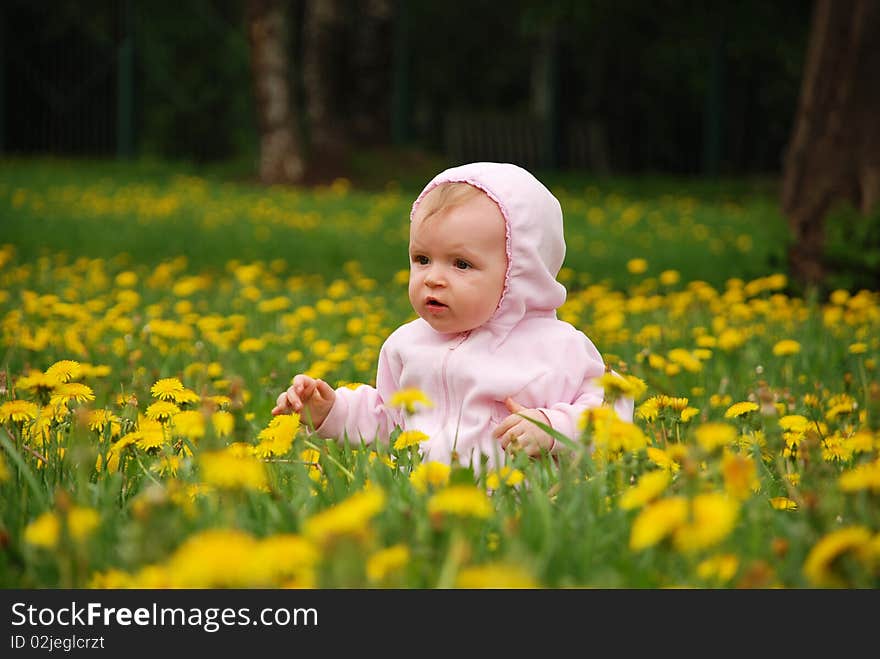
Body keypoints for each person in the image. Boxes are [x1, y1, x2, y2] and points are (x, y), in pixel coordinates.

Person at [272, 162, 634, 470]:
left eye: (461, 264)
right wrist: (332, 411)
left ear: (520, 272)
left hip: (520, 505)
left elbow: (611, 413)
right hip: (425, 505)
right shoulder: (406, 345)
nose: (433, 278)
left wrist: (553, 428)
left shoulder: (558, 348)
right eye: (422, 259)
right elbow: (392, 420)